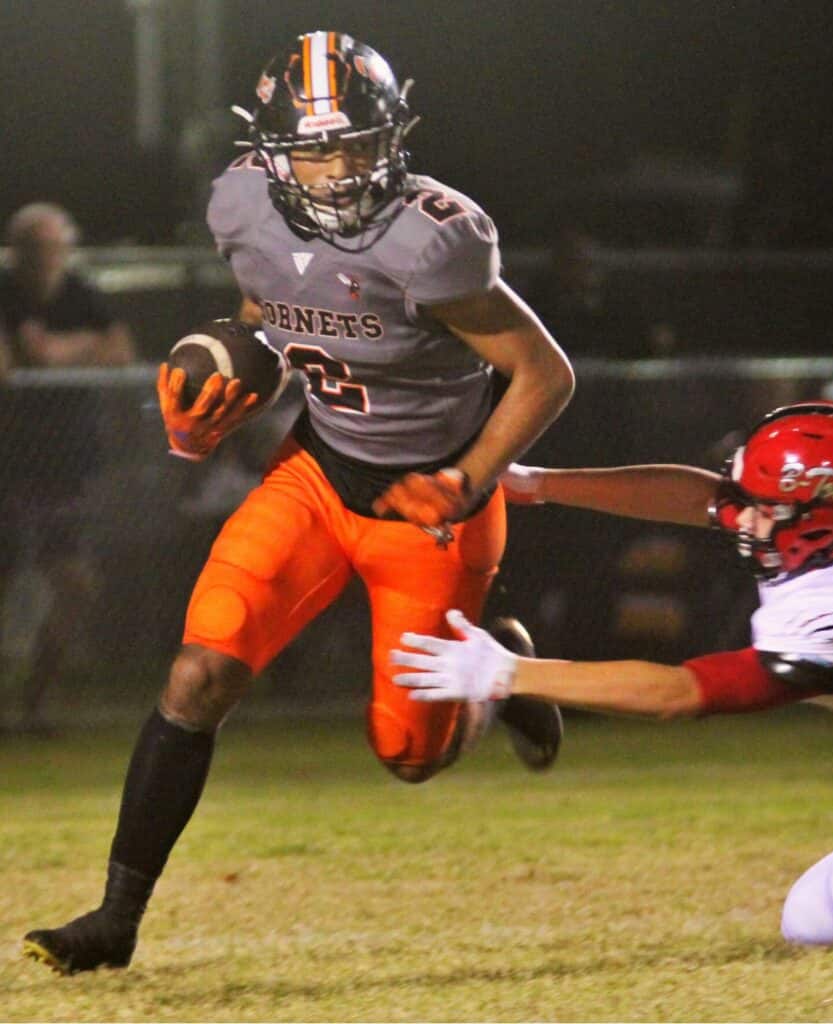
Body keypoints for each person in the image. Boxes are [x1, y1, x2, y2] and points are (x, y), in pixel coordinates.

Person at [23, 30, 574, 974]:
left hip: (429, 499)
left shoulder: (435, 239)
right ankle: (113, 921)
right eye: (318, 149)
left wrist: (470, 477)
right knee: (197, 676)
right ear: (272, 151)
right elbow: (271, 329)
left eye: (358, 145)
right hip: (318, 473)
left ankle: (505, 666)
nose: (340, 169)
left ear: (393, 139)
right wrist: (219, 411)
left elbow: (543, 373)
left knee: (409, 754)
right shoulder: (241, 203)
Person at [393, 401, 833, 944]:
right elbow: (707, 499)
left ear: (825, 521)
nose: (741, 517)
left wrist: (510, 674)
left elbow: (681, 691)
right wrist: (539, 483)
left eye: (763, 508)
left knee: (816, 922)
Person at [0, 202, 137, 730]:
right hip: (8, 466)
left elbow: (120, 350)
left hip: (66, 466)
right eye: (35, 249)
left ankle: (34, 704)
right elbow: (8, 364)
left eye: (55, 247)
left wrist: (61, 349)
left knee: (75, 584)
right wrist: (74, 348)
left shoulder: (80, 294)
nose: (47, 259)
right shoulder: (5, 291)